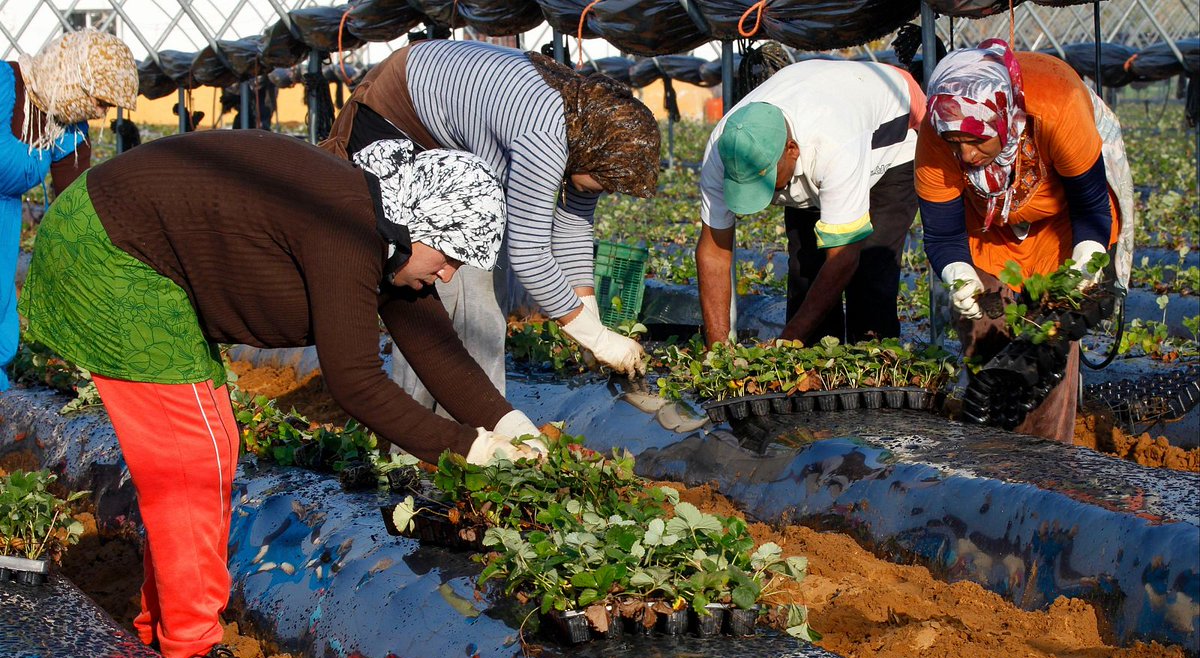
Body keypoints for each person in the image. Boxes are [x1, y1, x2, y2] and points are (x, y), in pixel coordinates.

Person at [18, 130, 547, 658]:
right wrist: (471, 450)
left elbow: (439, 353)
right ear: (417, 226)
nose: (449, 273)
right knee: (193, 458)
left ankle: (165, 632)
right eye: (451, 255)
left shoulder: (390, 237)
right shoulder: (347, 233)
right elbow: (355, 381)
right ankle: (193, 650)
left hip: (139, 252)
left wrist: (513, 425)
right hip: (111, 253)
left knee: (211, 447)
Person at [320, 39, 660, 415]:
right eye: (605, 182)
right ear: (595, 154)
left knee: (477, 301)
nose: (605, 190)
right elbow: (529, 255)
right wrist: (594, 337)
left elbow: (573, 229)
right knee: (439, 298)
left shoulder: (585, 131)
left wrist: (588, 320)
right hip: (399, 116)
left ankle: (475, 428)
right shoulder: (545, 134)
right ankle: (425, 436)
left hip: (444, 129)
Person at [915, 39, 1133, 443]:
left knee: (1047, 340)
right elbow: (943, 231)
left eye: (978, 140)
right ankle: (993, 448)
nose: (965, 155)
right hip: (987, 231)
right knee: (983, 327)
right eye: (955, 143)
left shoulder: (1057, 106)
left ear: (1004, 120)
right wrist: (958, 272)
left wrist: (1087, 255)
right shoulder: (938, 132)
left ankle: (1047, 459)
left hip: (1060, 226)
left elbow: (1090, 207)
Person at [695, 59, 926, 348]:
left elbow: (843, 257)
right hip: (821, 123)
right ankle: (810, 364)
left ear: (792, 150)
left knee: (870, 273)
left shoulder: (833, 143)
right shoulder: (724, 149)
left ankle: (872, 363)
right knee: (806, 268)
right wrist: (716, 348)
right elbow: (714, 251)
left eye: (766, 180)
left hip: (890, 140)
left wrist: (788, 340)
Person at [1, 29, 136, 390]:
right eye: (99, 100)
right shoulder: (3, 86)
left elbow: (76, 205)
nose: (102, 112)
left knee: (1, 311)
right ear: (73, 77)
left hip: (5, 218)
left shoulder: (65, 126)